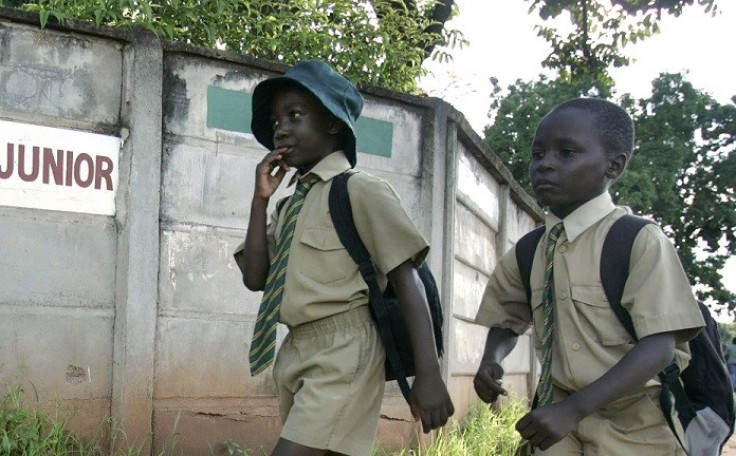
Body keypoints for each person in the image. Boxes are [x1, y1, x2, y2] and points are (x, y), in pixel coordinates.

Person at [234, 60, 454, 456]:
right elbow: (255, 278)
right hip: (297, 349)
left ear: (333, 123)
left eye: (294, 115)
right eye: (275, 121)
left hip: (345, 348)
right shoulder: (287, 207)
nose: (280, 129)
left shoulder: (361, 191)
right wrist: (260, 200)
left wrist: (430, 373)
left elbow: (408, 281)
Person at [473, 98, 705, 455]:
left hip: (637, 433)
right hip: (557, 430)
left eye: (566, 152)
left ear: (613, 166)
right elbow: (507, 320)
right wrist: (492, 359)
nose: (545, 164)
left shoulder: (637, 241)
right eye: (538, 154)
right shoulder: (529, 251)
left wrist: (574, 409)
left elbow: (660, 347)